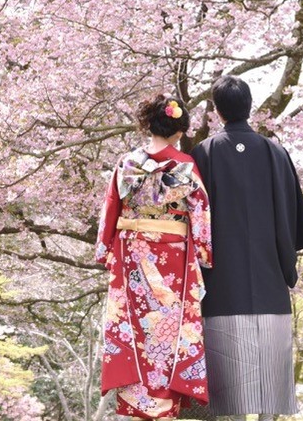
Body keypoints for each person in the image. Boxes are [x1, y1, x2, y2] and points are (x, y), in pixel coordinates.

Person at [190, 75, 303, 421]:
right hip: (270, 286)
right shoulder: (275, 152)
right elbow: (296, 222)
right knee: (268, 397)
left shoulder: (203, 153)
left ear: (217, 110)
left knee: (227, 397)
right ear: (250, 105)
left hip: (221, 288)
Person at [95, 94, 213, 419]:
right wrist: (204, 252)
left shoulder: (127, 164)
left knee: (132, 327)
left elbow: (110, 209)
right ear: (179, 131)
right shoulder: (185, 167)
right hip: (172, 257)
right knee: (167, 329)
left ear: (148, 124)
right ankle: (162, 409)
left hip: (130, 253)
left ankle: (132, 408)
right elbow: (201, 214)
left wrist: (105, 249)